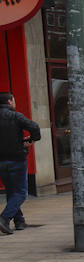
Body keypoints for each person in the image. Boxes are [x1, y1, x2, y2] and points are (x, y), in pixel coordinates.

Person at [0, 91, 41, 235]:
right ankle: (4, 218)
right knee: (21, 192)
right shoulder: (15, 116)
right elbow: (34, 127)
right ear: (10, 101)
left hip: (1, 161)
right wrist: (31, 140)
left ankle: (19, 221)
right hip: (17, 159)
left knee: (11, 191)